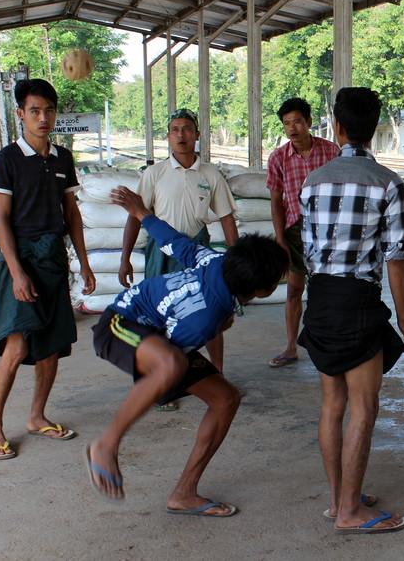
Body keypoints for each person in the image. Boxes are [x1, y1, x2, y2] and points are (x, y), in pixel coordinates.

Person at [85, 186, 288, 514]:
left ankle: (184, 493)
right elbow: (169, 360)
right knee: (169, 366)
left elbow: (175, 241)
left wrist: (142, 213)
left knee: (225, 400)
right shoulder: (206, 319)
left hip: (158, 335)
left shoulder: (217, 259)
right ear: (261, 291)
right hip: (119, 325)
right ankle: (106, 445)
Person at [298, 87, 404, 534]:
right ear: (373, 127)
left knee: (333, 405)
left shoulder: (314, 180)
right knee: (364, 408)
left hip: (321, 300)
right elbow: (397, 255)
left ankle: (338, 499)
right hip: (358, 302)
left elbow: (309, 246)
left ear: (338, 126)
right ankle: (350, 511)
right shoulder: (388, 183)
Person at [0, 78, 96, 460]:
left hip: (53, 259)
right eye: (34, 111)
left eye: (49, 110)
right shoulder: (7, 159)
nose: (43, 117)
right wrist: (15, 272)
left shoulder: (63, 159)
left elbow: (72, 214)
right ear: (21, 114)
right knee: (16, 346)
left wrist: (83, 262)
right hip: (22, 258)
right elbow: (1, 219)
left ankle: (36, 417)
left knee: (50, 347)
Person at [118, 108, 238, 410]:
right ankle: (160, 383)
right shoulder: (154, 174)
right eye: (174, 129)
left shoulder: (210, 174)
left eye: (187, 129)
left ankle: (218, 374)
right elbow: (136, 217)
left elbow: (226, 219)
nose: (181, 134)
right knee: (157, 317)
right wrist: (125, 258)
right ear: (168, 136)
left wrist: (235, 261)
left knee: (212, 314)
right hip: (161, 251)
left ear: (198, 135)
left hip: (197, 249)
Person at [265, 97, 339, 368]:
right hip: (295, 231)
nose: (292, 128)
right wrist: (281, 239)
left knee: (326, 288)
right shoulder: (278, 158)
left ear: (309, 122)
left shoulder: (331, 152)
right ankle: (290, 346)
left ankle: (329, 344)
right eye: (286, 123)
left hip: (327, 231)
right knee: (295, 289)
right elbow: (276, 201)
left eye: (297, 121)